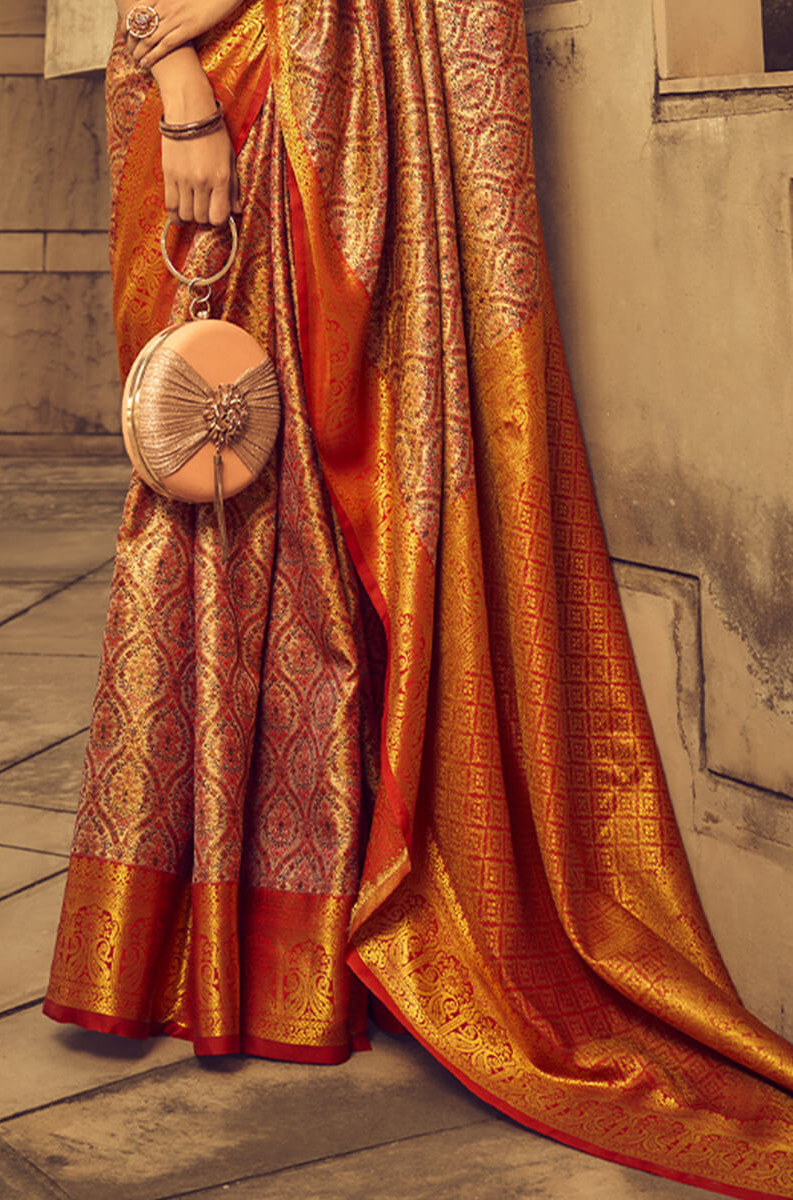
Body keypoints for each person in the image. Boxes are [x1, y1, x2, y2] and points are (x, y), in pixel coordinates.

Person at [44, 2, 793, 1195]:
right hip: (214, 80)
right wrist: (176, 68)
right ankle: (223, 944)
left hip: (369, 73)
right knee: (216, 481)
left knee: (375, 506)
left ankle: (349, 927)